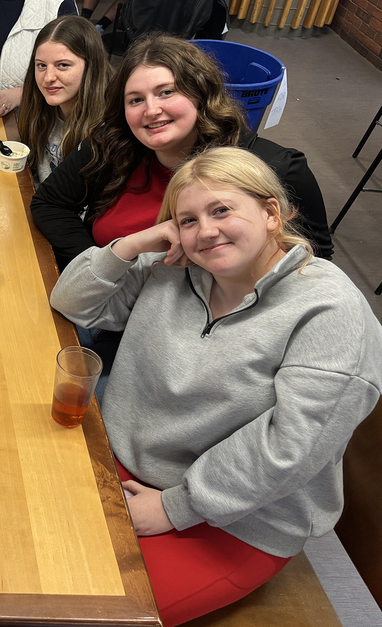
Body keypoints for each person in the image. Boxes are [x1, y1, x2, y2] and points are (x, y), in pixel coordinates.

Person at [49, 146, 382, 626]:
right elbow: (72, 302)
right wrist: (130, 244)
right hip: (121, 458)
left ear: (271, 213)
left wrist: (174, 507)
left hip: (236, 519)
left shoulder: (330, 311)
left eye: (221, 210)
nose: (205, 231)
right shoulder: (176, 267)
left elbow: (290, 448)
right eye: (187, 219)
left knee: (79, 610)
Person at [31, 33, 332, 271]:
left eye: (166, 92)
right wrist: (100, 266)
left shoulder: (277, 168)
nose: (151, 110)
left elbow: (312, 263)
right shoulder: (113, 144)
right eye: (135, 100)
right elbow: (49, 203)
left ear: (201, 93)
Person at [18, 15, 109, 184]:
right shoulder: (42, 107)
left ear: (91, 66)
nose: (48, 78)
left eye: (63, 65)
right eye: (41, 65)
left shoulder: (106, 131)